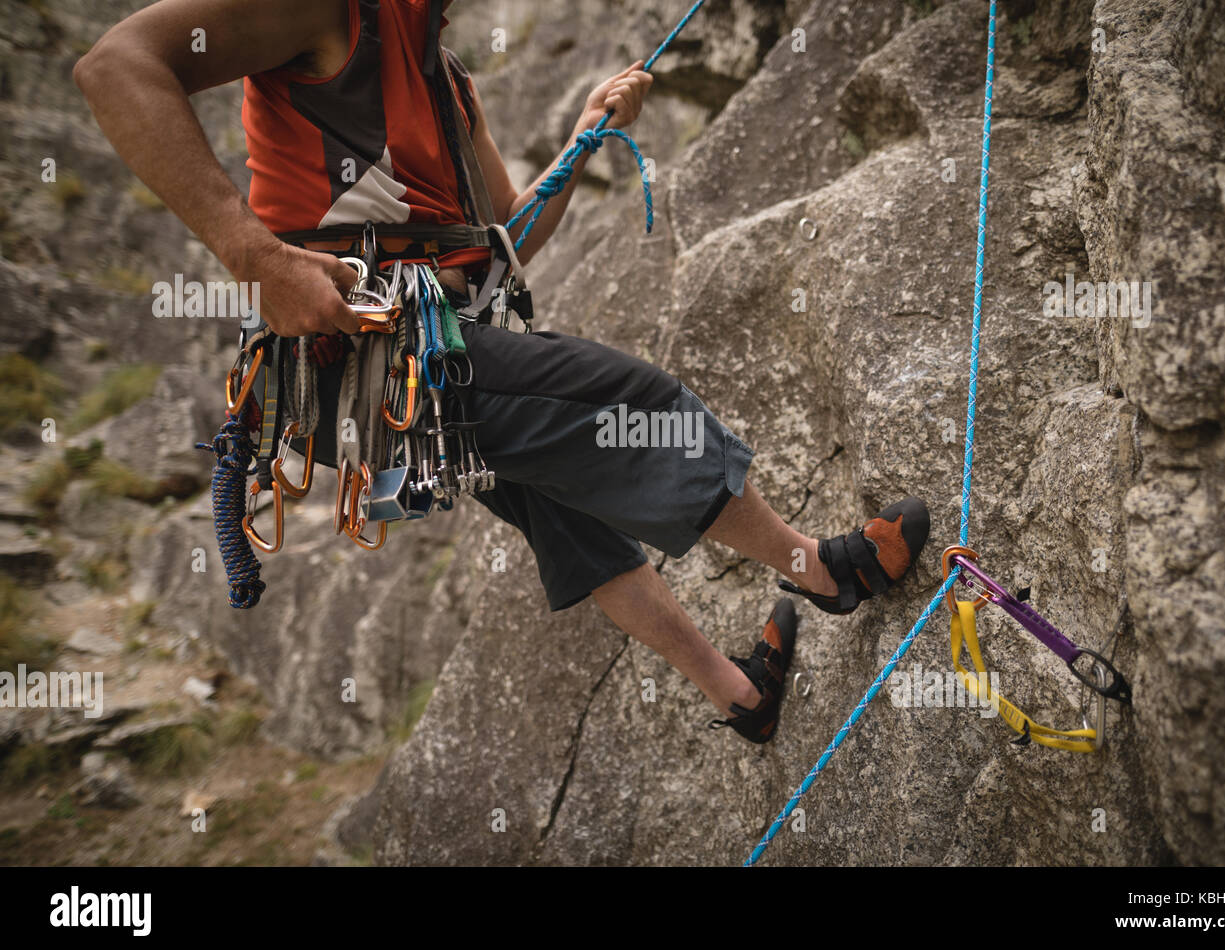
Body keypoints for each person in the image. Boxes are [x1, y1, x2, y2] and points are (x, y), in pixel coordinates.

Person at [76, 0, 929, 744]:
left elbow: (508, 240)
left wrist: (586, 135)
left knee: (568, 516)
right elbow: (116, 66)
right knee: (639, 405)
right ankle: (826, 570)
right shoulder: (329, 9)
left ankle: (741, 696)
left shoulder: (445, 78)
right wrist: (256, 257)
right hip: (359, 353)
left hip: (409, 363)